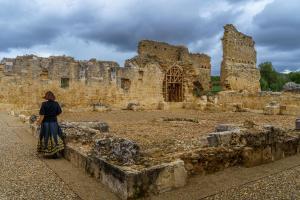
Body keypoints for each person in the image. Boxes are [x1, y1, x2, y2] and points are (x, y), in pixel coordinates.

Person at [36, 91, 64, 158]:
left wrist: (38, 123)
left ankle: (46, 152)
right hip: (54, 123)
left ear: (46, 97)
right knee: (54, 137)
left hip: (45, 123)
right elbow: (59, 113)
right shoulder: (56, 103)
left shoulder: (44, 104)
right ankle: (54, 153)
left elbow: (42, 116)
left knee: (45, 137)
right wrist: (54, 115)